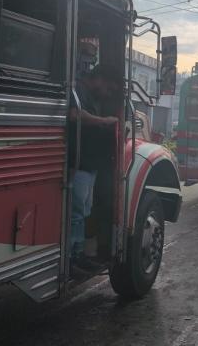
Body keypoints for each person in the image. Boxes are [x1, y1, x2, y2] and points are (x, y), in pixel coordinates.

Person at [69, 65, 118, 270]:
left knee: (84, 210)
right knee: (76, 212)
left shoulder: (92, 97)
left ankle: (79, 252)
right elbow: (74, 115)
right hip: (79, 163)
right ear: (98, 78)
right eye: (107, 88)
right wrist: (104, 121)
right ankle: (73, 255)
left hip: (90, 165)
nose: (107, 93)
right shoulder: (78, 90)